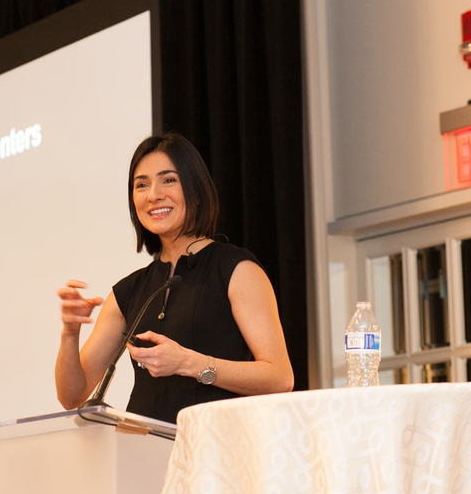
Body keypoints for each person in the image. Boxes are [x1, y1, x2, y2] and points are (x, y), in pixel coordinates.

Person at [55, 132, 293, 424]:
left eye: (168, 180)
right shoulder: (128, 291)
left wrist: (190, 364)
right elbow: (71, 396)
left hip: (214, 444)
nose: (153, 195)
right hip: (141, 448)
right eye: (142, 185)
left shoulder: (236, 269)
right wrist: (69, 333)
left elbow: (280, 377)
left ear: (195, 188)